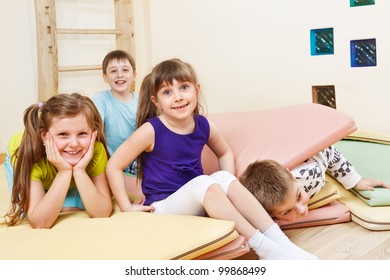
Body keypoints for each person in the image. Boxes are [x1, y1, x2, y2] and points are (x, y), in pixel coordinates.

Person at [106, 58, 318, 260]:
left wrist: (225, 184)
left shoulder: (203, 125)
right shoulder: (151, 130)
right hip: (163, 208)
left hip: (197, 202)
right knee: (204, 182)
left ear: (196, 90)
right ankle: (264, 248)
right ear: (157, 102)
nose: (178, 96)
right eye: (167, 92)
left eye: (184, 88)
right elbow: (114, 165)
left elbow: (224, 152)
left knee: (222, 177)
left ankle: (281, 242)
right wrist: (127, 207)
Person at [3, 93, 112, 229]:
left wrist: (79, 171)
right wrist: (64, 172)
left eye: (82, 134)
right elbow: (39, 223)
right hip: (22, 155)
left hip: (66, 167)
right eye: (63, 134)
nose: (74, 144)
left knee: (78, 203)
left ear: (93, 134)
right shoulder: (31, 154)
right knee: (27, 213)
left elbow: (102, 212)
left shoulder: (95, 150)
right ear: (44, 136)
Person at [239, 145, 390, 222]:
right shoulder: (263, 210)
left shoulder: (311, 175)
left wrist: (354, 179)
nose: (301, 209)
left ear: (291, 175)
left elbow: (328, 150)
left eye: (299, 197)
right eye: (286, 212)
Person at [92, 50, 143, 203]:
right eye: (113, 71)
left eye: (125, 70)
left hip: (138, 160)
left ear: (134, 75)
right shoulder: (101, 99)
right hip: (113, 162)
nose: (119, 75)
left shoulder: (141, 100)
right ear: (105, 77)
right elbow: (95, 124)